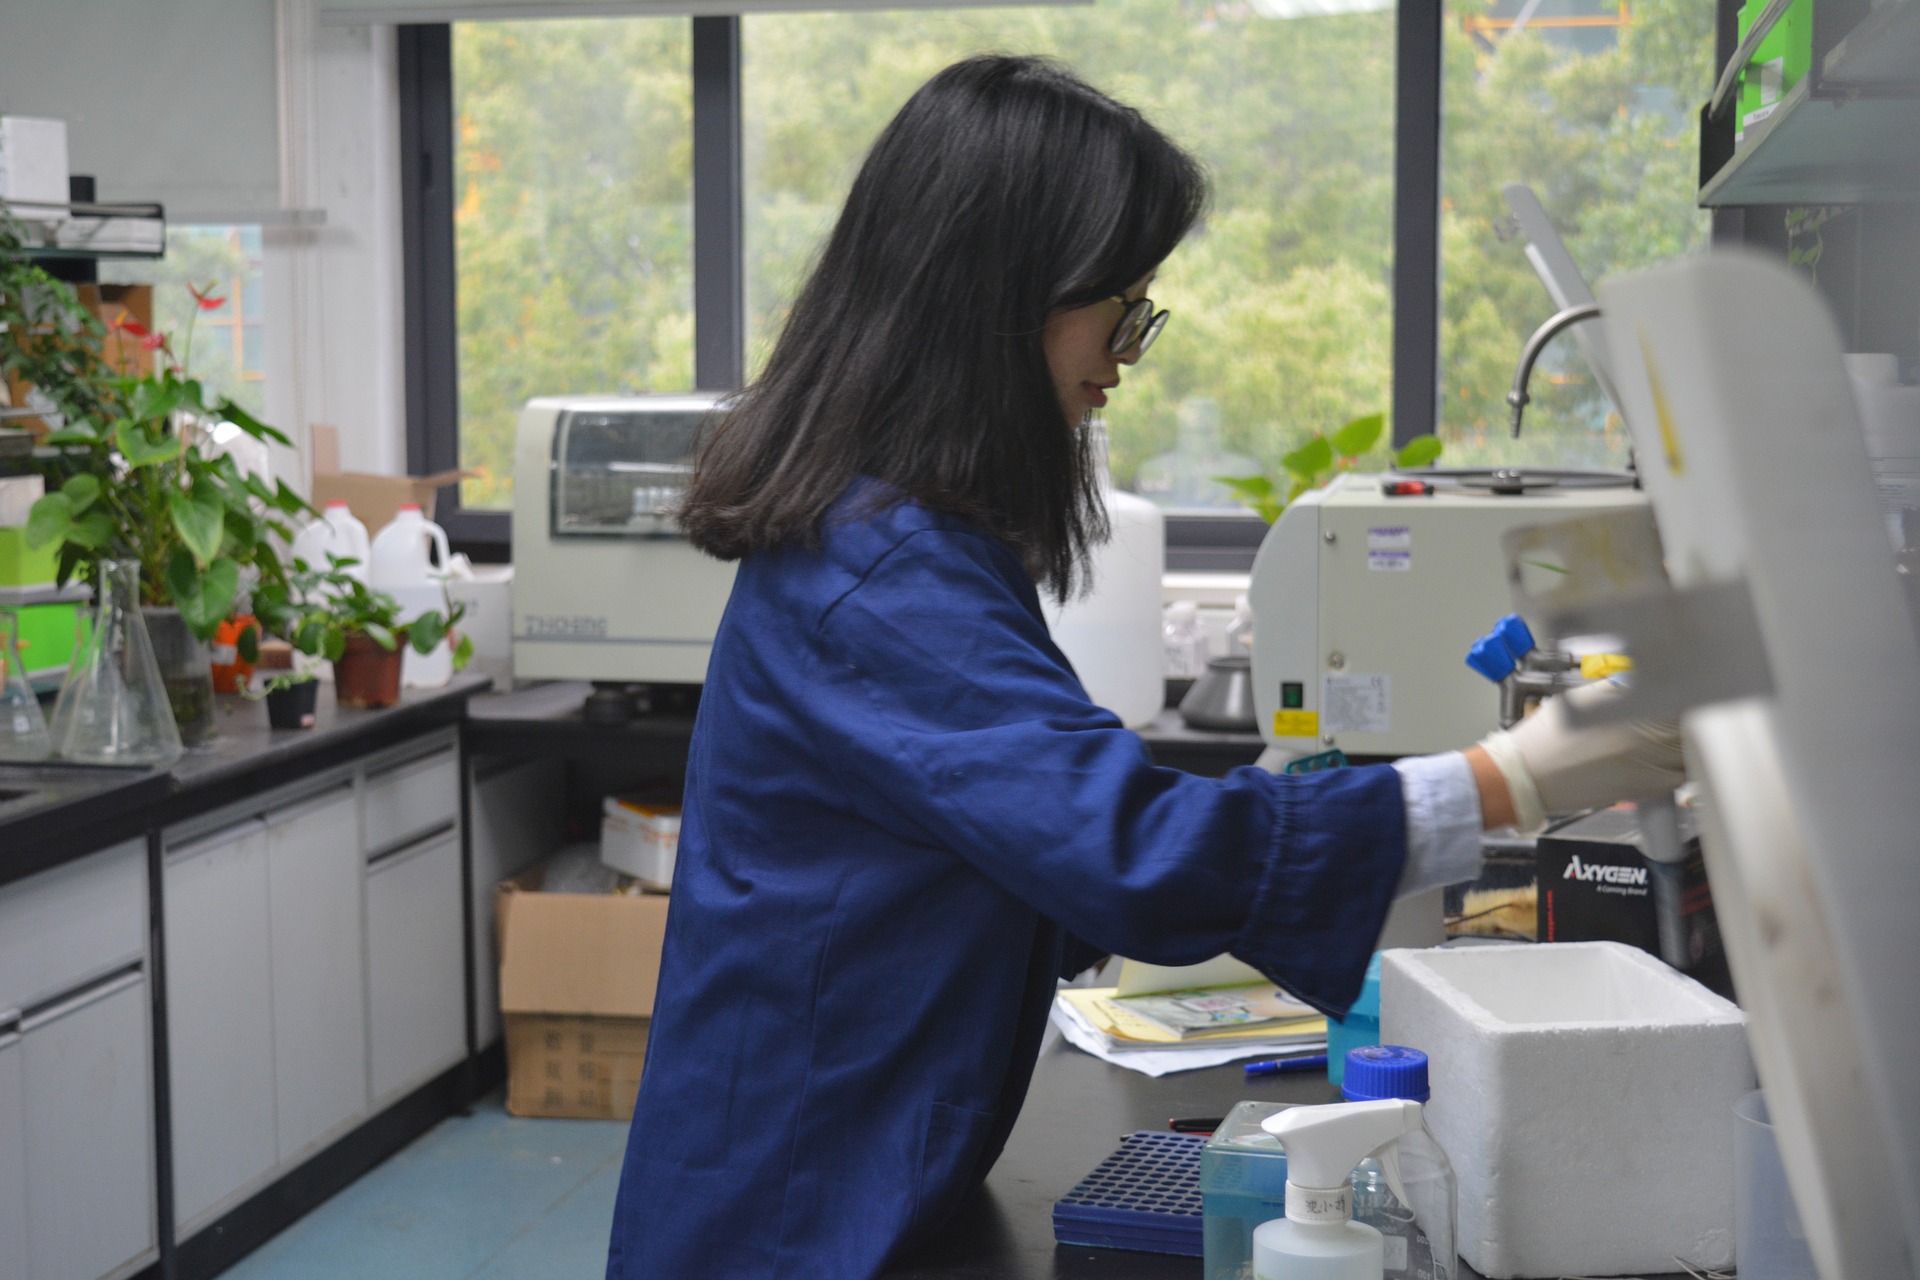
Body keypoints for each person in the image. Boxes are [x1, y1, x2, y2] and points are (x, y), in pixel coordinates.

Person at [605, 55, 1681, 1279]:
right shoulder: (880, 575)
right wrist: (1510, 778)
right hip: (795, 1219)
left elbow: (1040, 842)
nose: (1126, 351)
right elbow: (1127, 853)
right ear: (994, 297)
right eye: (1117, 308)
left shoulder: (906, 536)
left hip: (849, 1169)